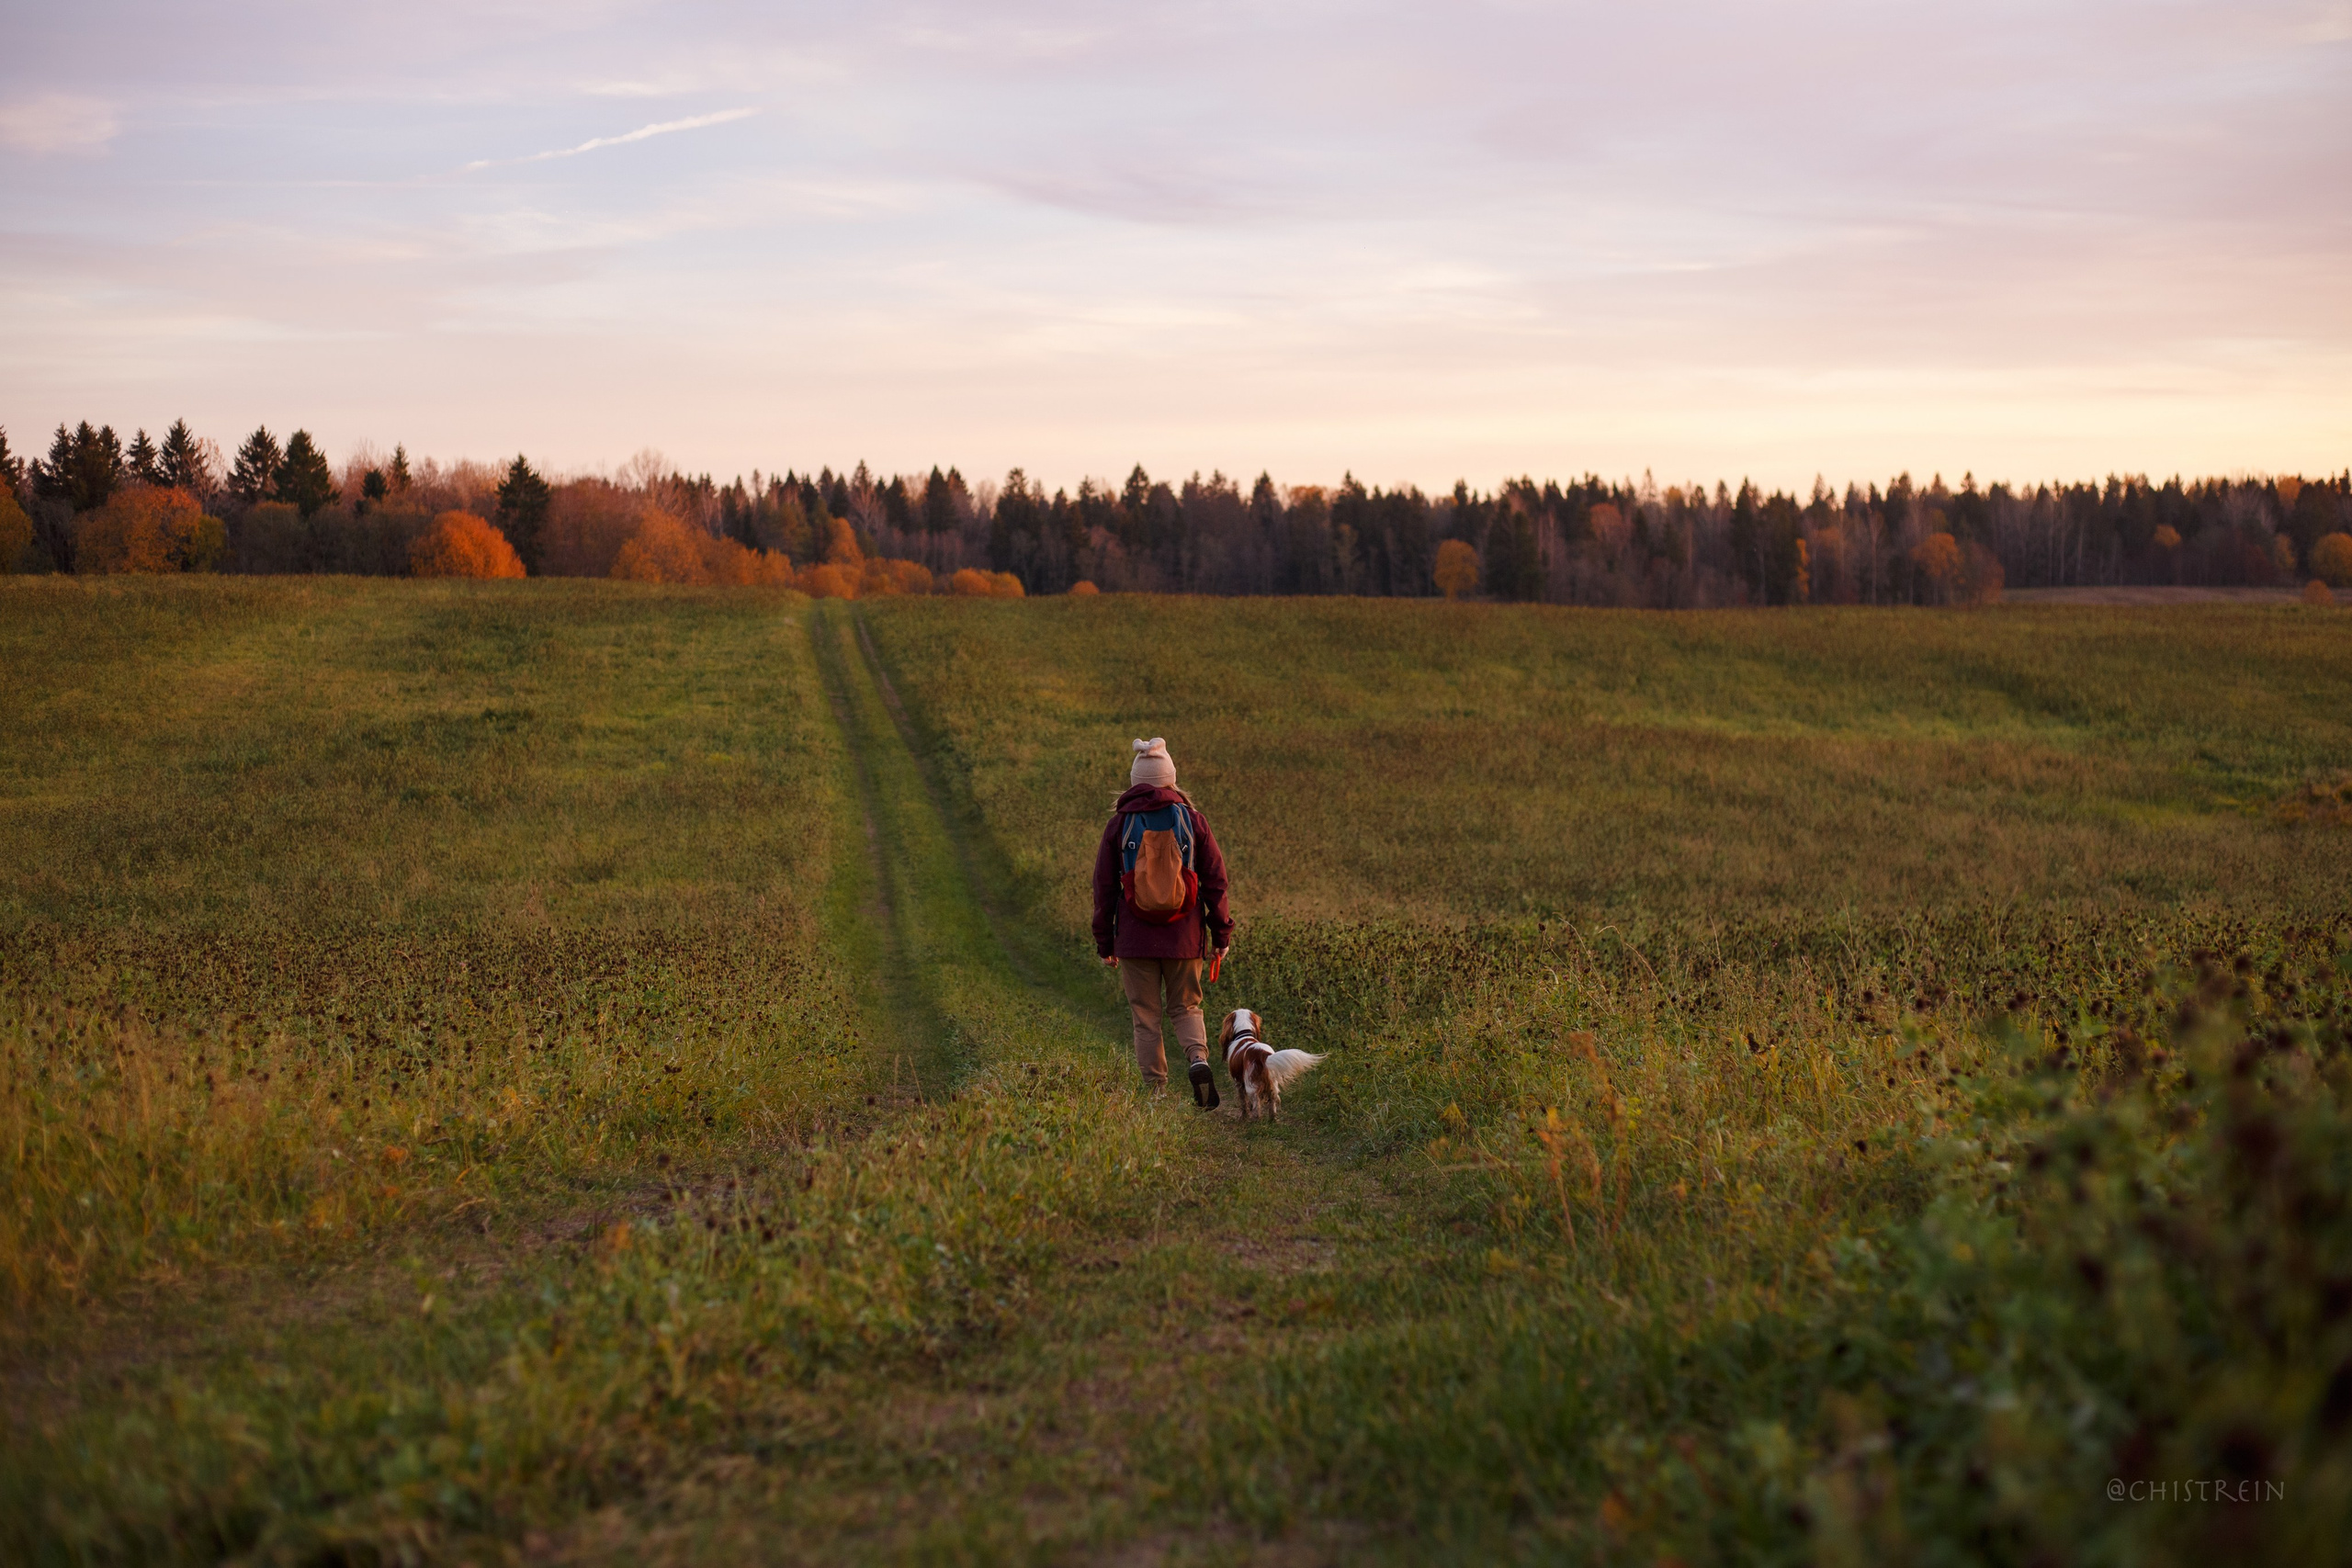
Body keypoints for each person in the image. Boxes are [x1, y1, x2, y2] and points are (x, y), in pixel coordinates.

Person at [1092, 737, 1232, 1107]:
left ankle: (1156, 1092)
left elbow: (1104, 889)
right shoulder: (1193, 821)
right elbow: (1216, 880)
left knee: (1146, 1015)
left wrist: (1105, 943)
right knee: (1186, 1006)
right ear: (1171, 779)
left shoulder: (1119, 824)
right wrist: (1221, 933)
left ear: (1136, 782)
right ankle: (1198, 1059)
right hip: (1185, 939)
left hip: (1135, 940)